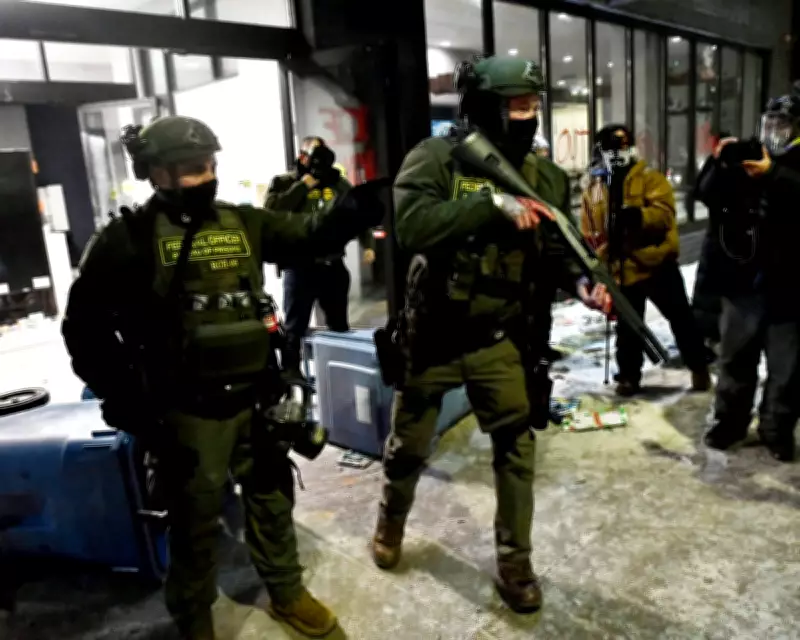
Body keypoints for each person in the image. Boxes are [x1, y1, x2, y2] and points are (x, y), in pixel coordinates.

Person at [61, 115, 383, 639]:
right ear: (155, 173)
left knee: (272, 500)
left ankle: (287, 592)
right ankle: (194, 617)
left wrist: (355, 208)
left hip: (258, 398)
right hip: (186, 412)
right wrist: (127, 402)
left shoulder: (241, 223)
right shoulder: (127, 239)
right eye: (191, 169)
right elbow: (84, 330)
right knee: (194, 521)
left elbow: (306, 235)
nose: (205, 178)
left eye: (209, 165)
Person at [370, 55, 609, 614]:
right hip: (432, 337)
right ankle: (389, 523)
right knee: (408, 447)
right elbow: (411, 227)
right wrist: (489, 206)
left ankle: (515, 565)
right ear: (483, 107)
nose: (527, 116)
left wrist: (580, 283)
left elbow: (555, 251)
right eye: (515, 107)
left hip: (497, 339)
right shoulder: (437, 158)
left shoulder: (544, 176)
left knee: (516, 451)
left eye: (532, 106)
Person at [697, 91, 800, 462]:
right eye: (770, 122)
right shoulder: (749, 154)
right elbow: (706, 194)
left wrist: (773, 175)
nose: (775, 130)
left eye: (783, 123)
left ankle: (777, 430)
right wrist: (719, 162)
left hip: (791, 288)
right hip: (743, 282)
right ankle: (729, 423)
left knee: (787, 370)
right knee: (735, 361)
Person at [580, 124, 711, 396]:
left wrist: (638, 216)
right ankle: (629, 376)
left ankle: (698, 366)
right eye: (609, 149)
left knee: (681, 319)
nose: (616, 155)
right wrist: (599, 258)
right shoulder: (595, 189)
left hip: (656, 264)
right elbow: (590, 229)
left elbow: (664, 215)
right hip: (622, 267)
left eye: (621, 148)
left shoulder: (650, 179)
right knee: (628, 327)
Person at [265, 136, 377, 373]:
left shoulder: (336, 182)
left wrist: (368, 244)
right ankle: (291, 376)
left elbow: (357, 209)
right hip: (299, 267)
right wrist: (302, 186)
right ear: (302, 157)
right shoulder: (284, 182)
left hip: (332, 265)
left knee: (340, 327)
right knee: (294, 329)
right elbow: (271, 212)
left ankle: (341, 375)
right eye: (313, 154)